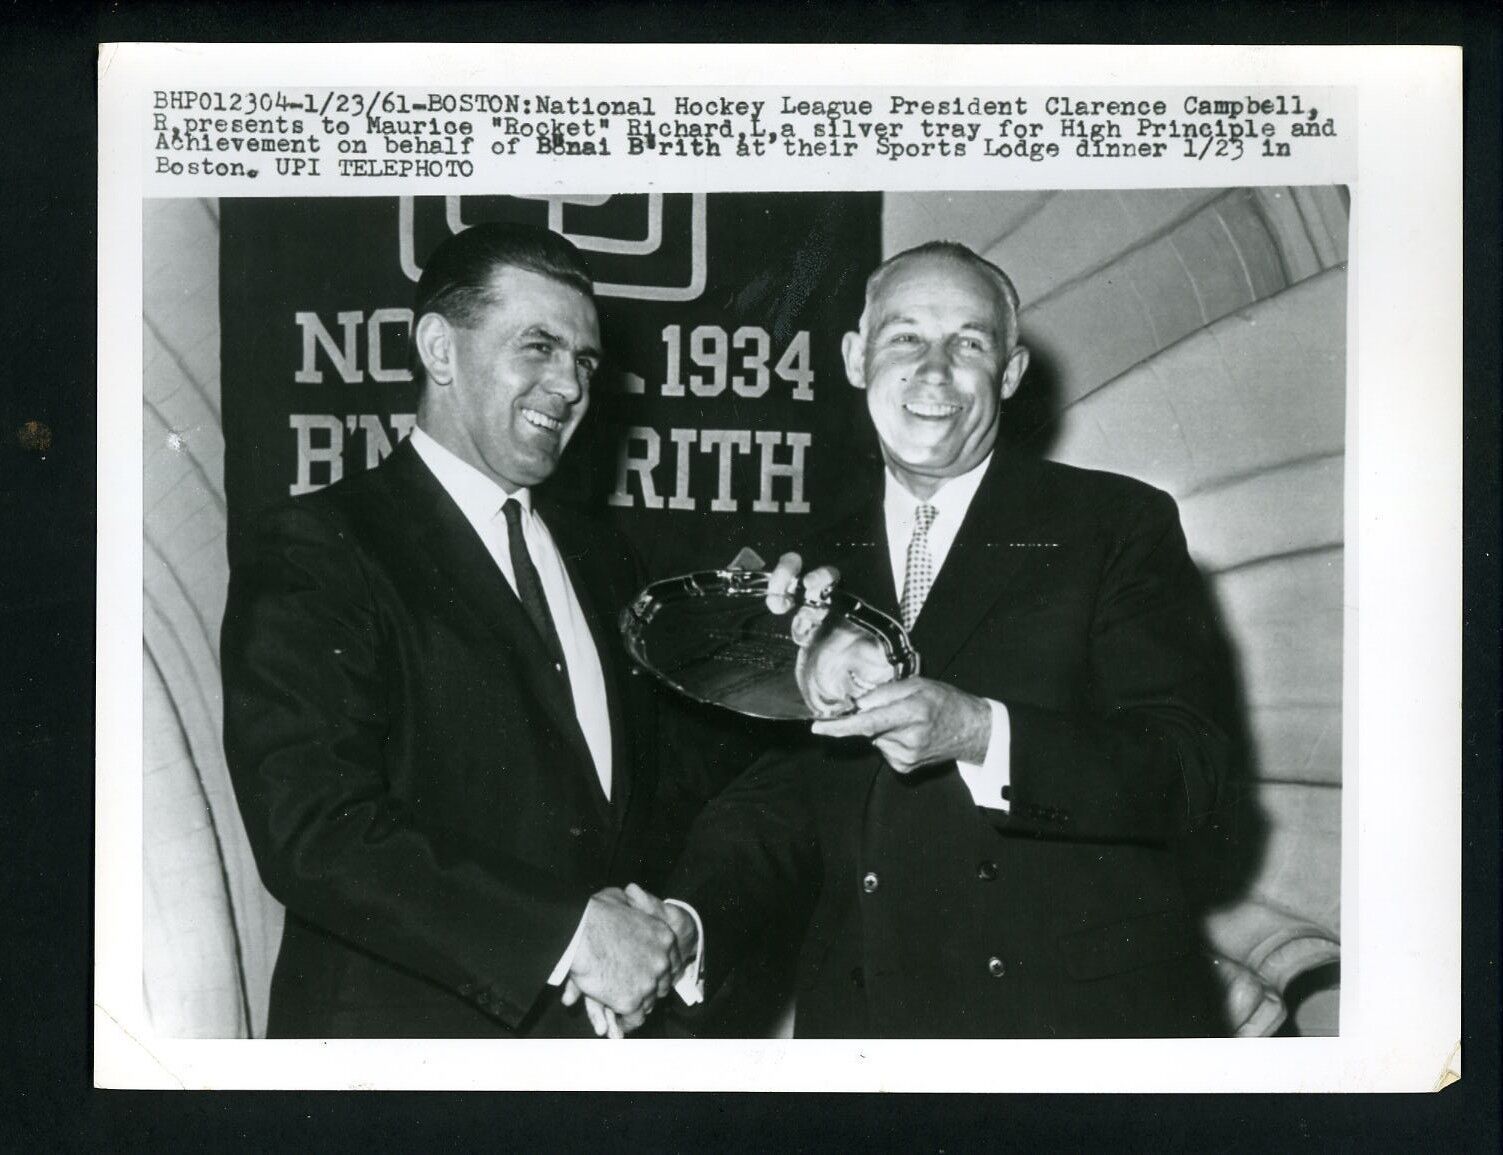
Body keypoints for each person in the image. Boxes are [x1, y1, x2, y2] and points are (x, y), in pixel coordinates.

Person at [667, 240, 1233, 1038]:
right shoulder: (810, 555)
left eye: (968, 342)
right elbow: (786, 794)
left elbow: (1189, 772)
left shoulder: (1116, 525)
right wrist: (689, 918)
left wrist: (976, 732)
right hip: (869, 1031)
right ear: (855, 359)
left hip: (1068, 1033)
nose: (933, 371)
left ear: (1008, 372)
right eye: (904, 337)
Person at [221, 222, 702, 1039]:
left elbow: (651, 797)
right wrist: (569, 934)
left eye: (584, 361)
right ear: (439, 351)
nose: (569, 386)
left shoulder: (604, 556)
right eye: (538, 347)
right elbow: (313, 828)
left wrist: (674, 924)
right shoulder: (322, 543)